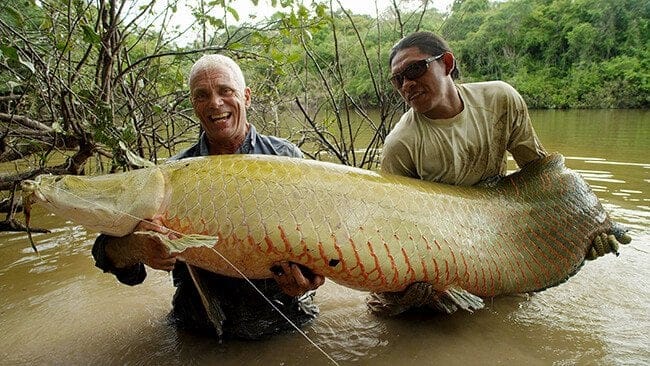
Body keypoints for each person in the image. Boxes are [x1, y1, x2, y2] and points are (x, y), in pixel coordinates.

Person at [91, 54, 325, 339]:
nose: (215, 103)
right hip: (199, 327)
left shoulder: (287, 159)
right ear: (194, 105)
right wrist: (137, 247)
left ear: (247, 97)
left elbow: (321, 242)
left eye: (225, 91)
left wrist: (308, 279)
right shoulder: (171, 174)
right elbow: (105, 252)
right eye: (202, 95)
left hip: (284, 323)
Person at [369, 31, 549, 316]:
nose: (407, 84)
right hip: (436, 242)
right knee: (384, 309)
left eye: (414, 69)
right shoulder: (400, 143)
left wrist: (586, 222)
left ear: (447, 64)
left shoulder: (500, 99)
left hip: (495, 227)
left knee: (512, 308)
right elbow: (390, 224)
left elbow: (539, 173)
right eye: (398, 79)